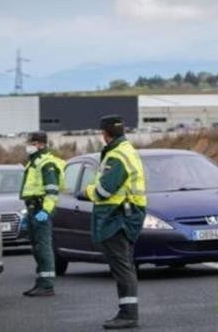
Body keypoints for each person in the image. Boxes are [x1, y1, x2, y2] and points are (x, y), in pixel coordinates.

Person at [79, 115, 147, 330]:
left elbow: (104, 190)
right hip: (126, 215)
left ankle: (128, 314)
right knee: (124, 265)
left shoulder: (117, 155)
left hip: (117, 217)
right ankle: (127, 312)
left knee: (122, 267)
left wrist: (88, 191)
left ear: (104, 133)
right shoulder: (126, 150)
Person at [19, 131, 64, 297]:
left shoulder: (46, 163)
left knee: (43, 247)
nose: (28, 146)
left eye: (31, 143)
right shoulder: (34, 162)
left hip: (40, 209)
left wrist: (46, 211)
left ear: (41, 144)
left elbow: (52, 191)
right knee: (37, 247)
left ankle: (47, 285)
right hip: (33, 209)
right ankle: (40, 282)